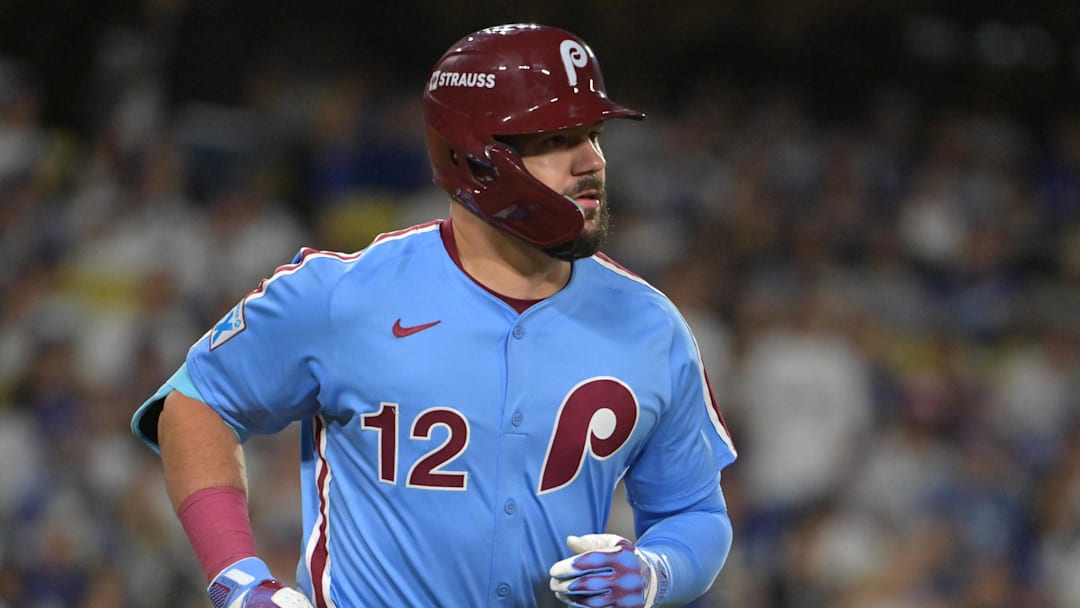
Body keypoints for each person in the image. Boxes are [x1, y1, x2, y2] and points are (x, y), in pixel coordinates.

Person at [131, 23, 737, 608]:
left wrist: (656, 573)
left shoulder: (651, 326)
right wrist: (236, 579)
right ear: (474, 157)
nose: (592, 162)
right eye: (554, 141)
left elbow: (694, 514)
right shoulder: (344, 293)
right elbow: (196, 404)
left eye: (592, 135)